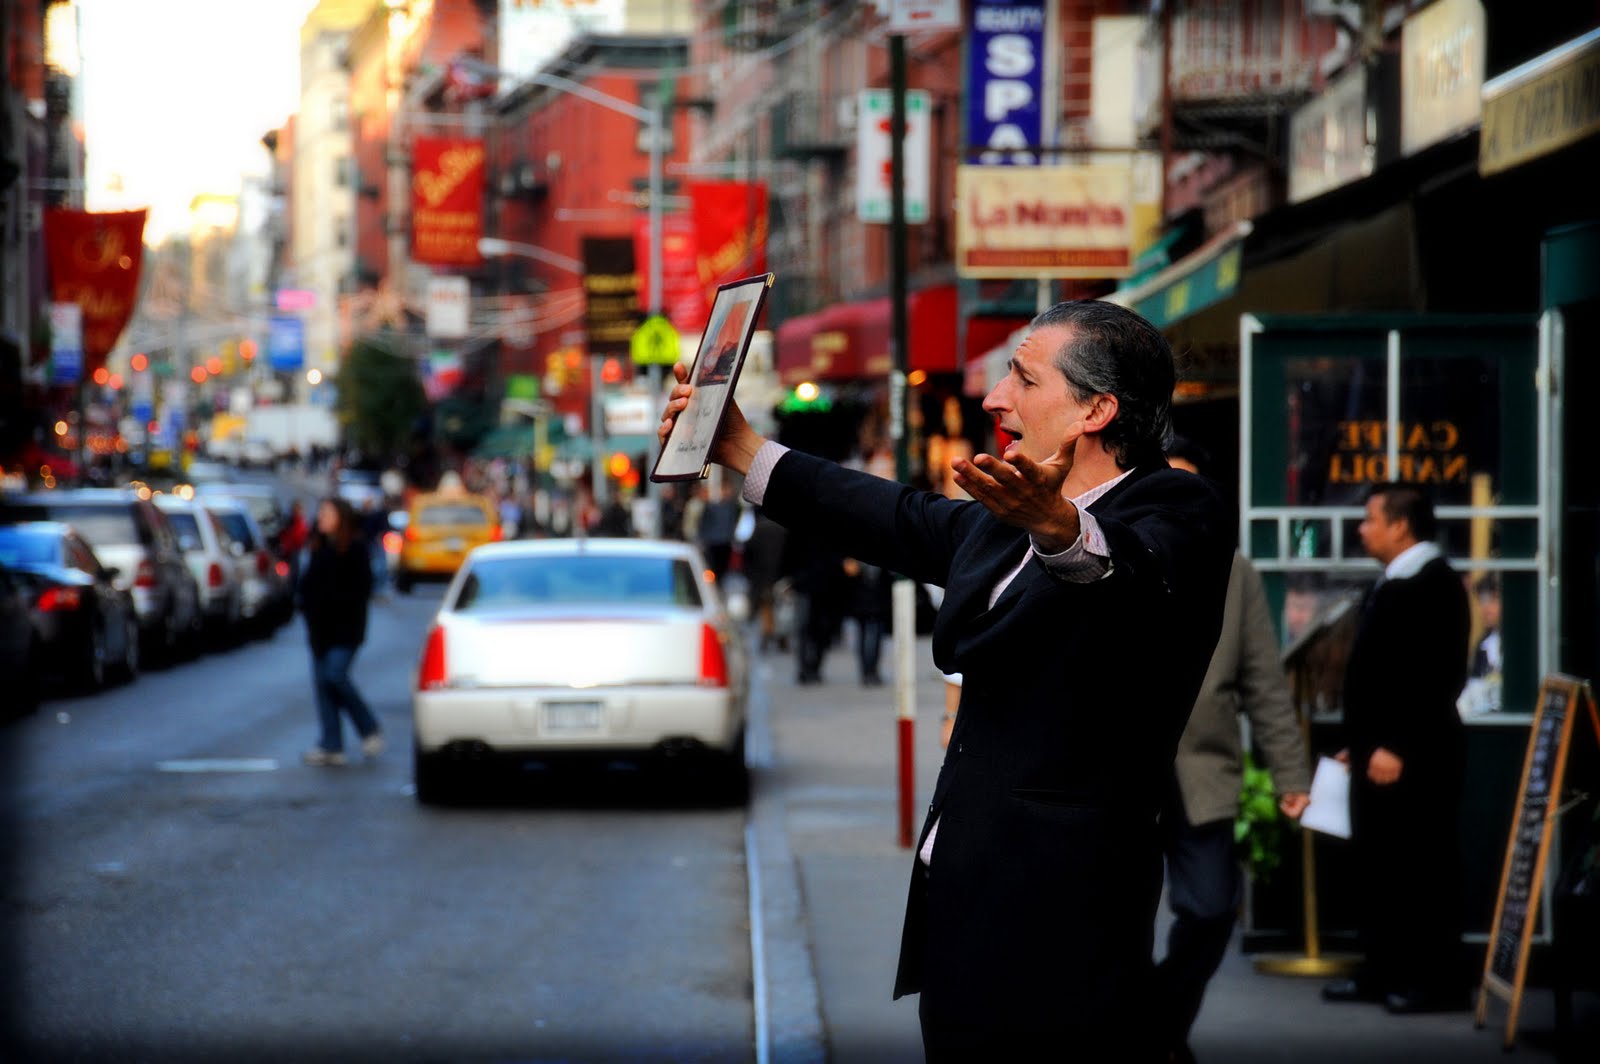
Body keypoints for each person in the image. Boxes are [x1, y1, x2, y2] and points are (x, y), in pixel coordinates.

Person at [658, 299, 1234, 1058]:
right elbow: (886, 512)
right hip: (957, 907)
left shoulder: (1176, 509)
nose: (996, 398)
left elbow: (1129, 576)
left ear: (1097, 409)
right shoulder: (997, 518)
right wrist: (741, 446)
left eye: (1023, 379)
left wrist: (1060, 529)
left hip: (1064, 922)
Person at [1159, 439, 1311, 1062]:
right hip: (1113, 777)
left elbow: (1264, 682)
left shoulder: (1234, 570)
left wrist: (1290, 773)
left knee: (1212, 907)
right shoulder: (1098, 553)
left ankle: (1158, 1022)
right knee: (1103, 926)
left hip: (1202, 771)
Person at [1322, 482, 1470, 1014]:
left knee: (1419, 872)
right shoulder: (1395, 580)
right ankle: (1381, 970)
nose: (1362, 529)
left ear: (1401, 525)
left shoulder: (1434, 583)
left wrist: (1397, 746)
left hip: (1414, 759)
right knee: (1380, 871)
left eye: (1370, 519)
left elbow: (1436, 676)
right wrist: (1357, 746)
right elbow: (1378, 677)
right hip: (1375, 754)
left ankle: (1430, 981)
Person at [298, 497, 383, 767]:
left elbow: (361, 590)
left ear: (340, 517)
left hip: (345, 630)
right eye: (320, 512)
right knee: (323, 683)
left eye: (326, 513)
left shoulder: (355, 548)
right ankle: (331, 743)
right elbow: (307, 586)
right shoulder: (318, 546)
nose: (321, 517)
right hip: (319, 630)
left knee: (335, 675)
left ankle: (368, 727)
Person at [697, 481, 740, 579]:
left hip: (725, 542)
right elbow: (704, 524)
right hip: (713, 542)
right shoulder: (711, 507)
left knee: (722, 568)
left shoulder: (732, 507)